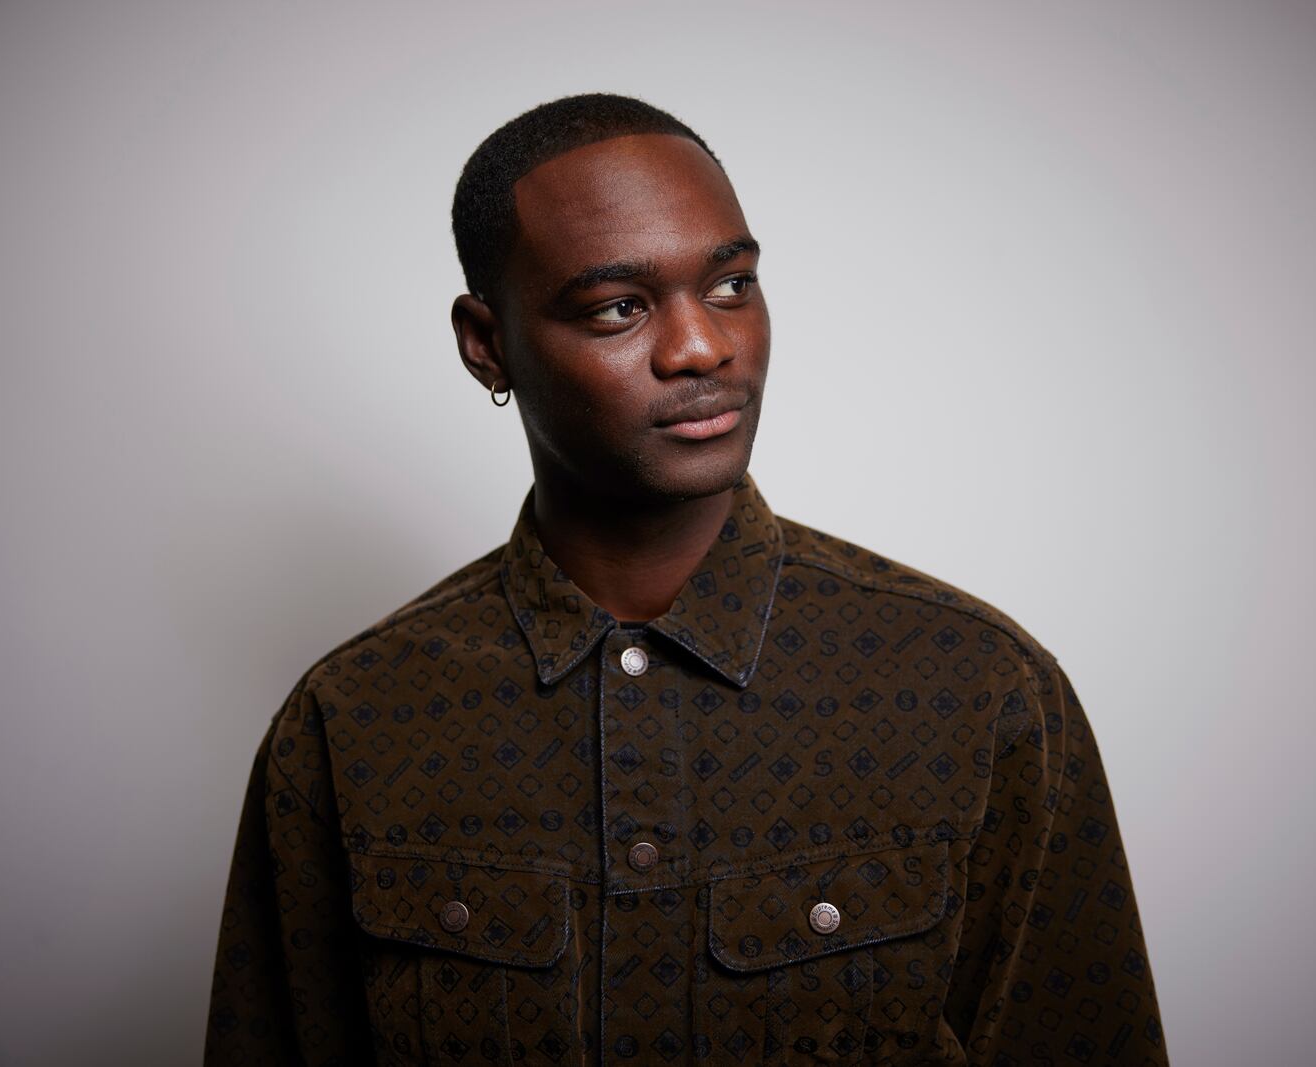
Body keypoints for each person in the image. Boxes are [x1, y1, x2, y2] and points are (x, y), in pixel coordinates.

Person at [204, 93, 1166, 1066]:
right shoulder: (349, 722)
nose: (702, 347)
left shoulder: (977, 688)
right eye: (619, 306)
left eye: (730, 284)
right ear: (485, 343)